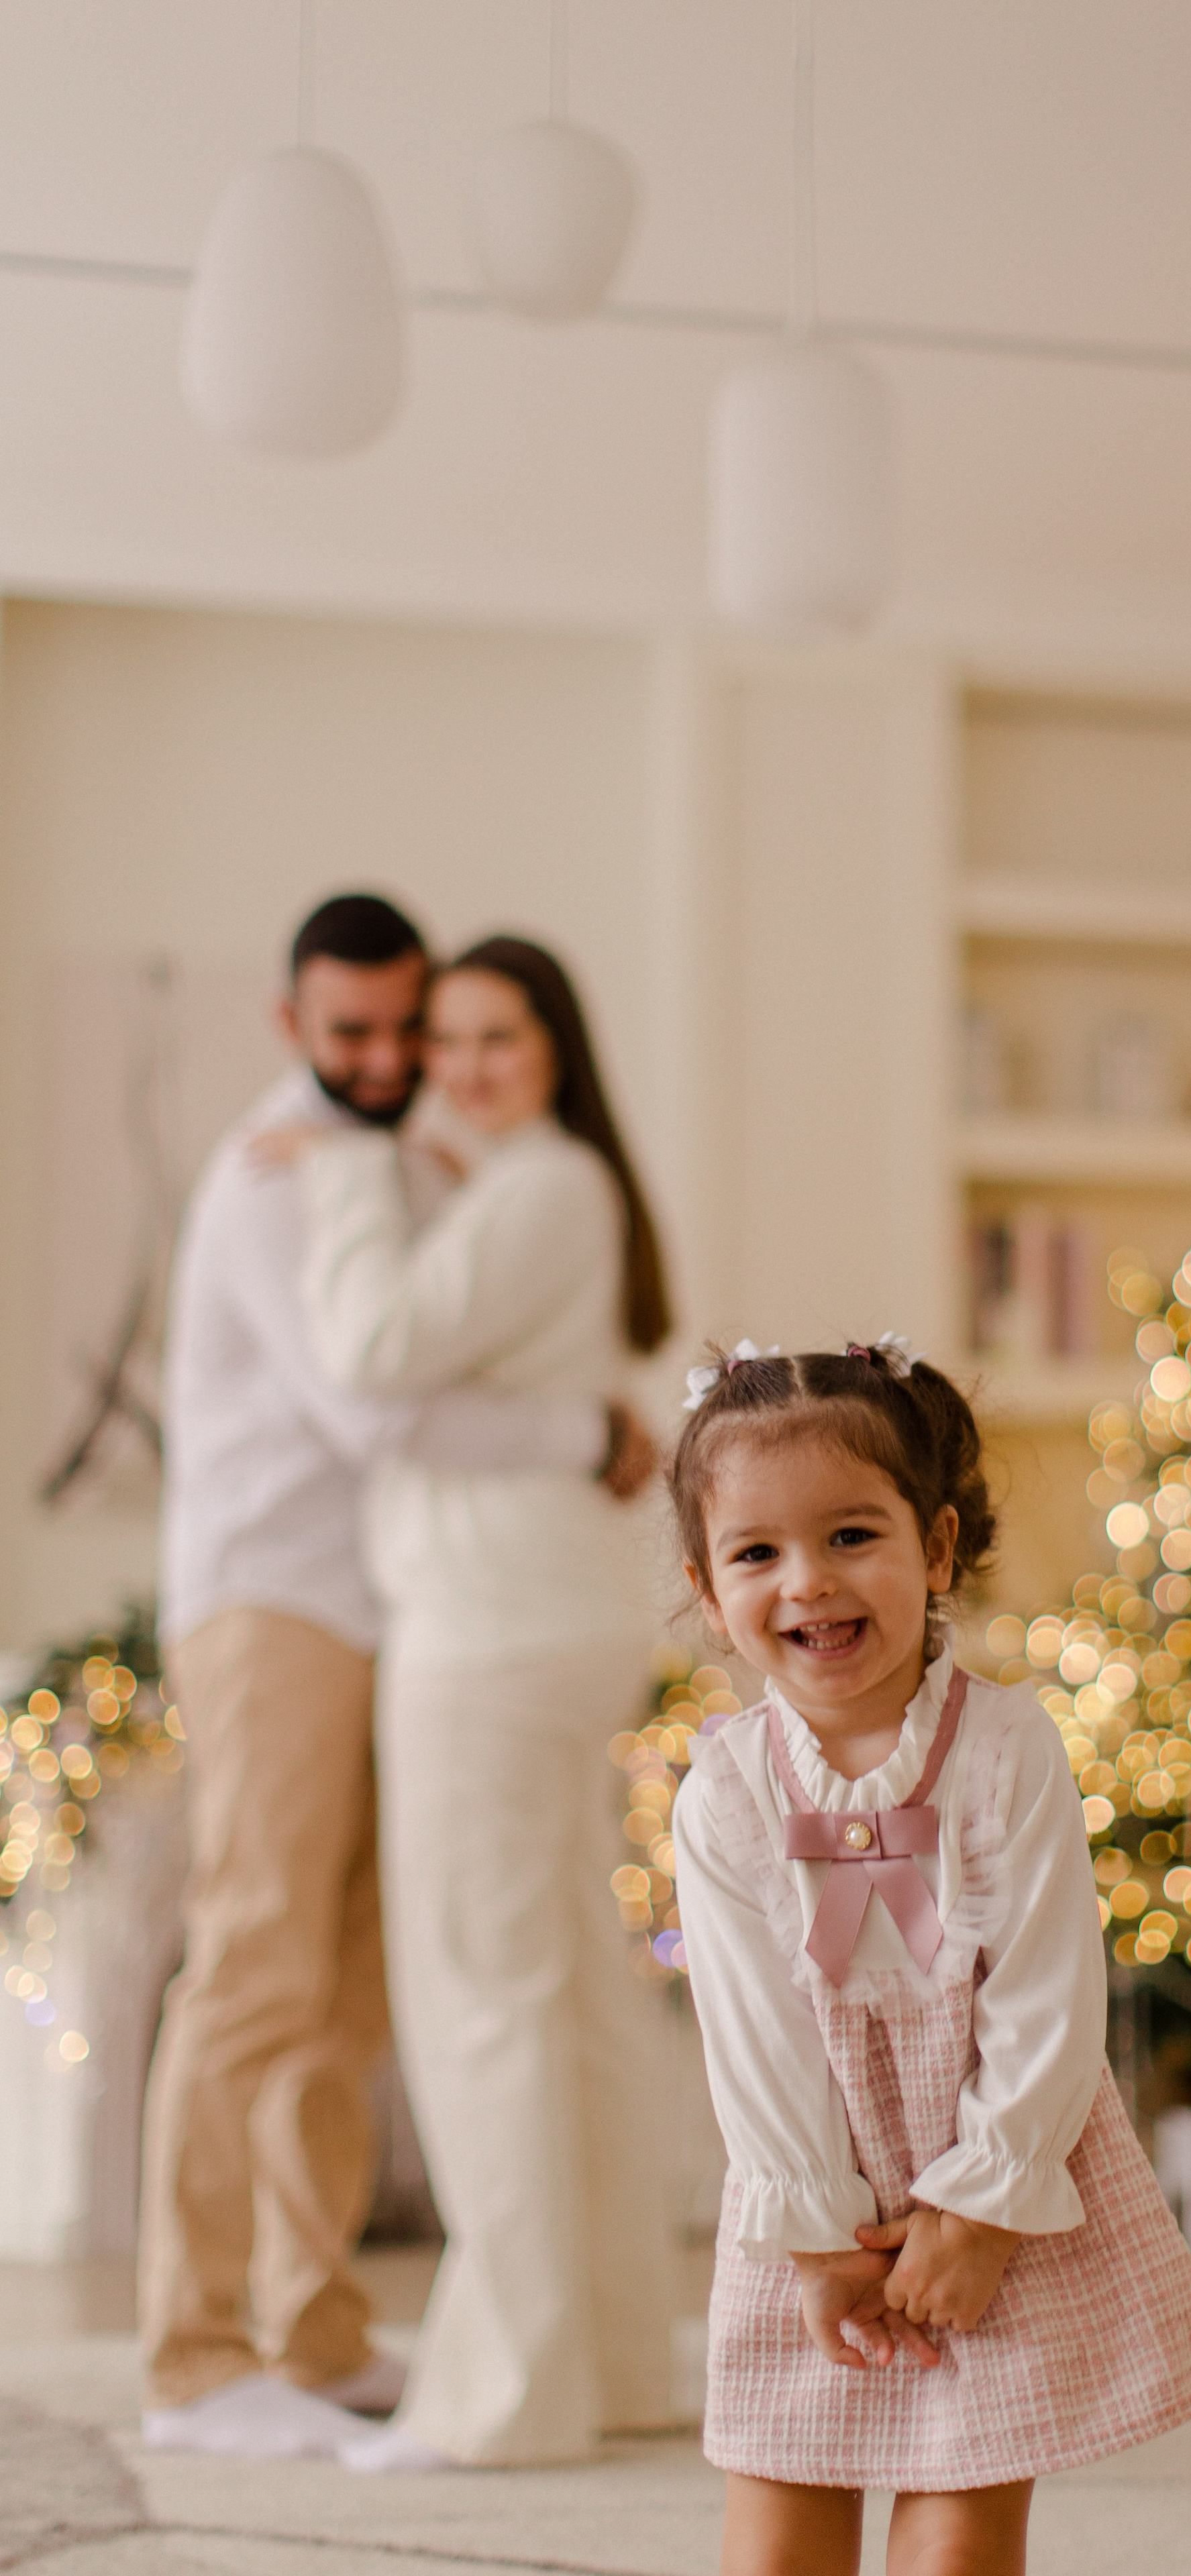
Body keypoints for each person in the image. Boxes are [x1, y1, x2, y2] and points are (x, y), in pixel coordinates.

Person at [140, 895, 650, 2463]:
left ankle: (313, 2326)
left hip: (396, 1611)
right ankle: (194, 2354)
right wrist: (588, 1431)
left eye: (404, 1028)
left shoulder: (441, 1164)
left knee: (347, 1992)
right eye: (351, 1031)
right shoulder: (277, 1172)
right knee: (258, 1967)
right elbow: (373, 1408)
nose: (384, 1057)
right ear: (293, 1025)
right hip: (274, 1601)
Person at [668, 1341, 1191, 2576]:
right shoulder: (724, 1797)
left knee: (963, 2532)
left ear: (934, 1549)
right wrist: (820, 2238)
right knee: (777, 2528)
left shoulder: (1006, 1753)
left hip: (992, 2183)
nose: (808, 1583)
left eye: (851, 1536)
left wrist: (981, 2206)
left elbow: (1046, 1992)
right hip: (809, 2188)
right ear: (711, 1593)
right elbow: (757, 2039)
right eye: (757, 1554)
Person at [283, 936, 683, 2471]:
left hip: (487, 1633)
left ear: (555, 1047)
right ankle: (613, 2361)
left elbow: (373, 1351)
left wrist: (343, 1176)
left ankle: (512, 2397)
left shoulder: (535, 1189)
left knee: (484, 2004)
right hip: (538, 1621)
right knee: (565, 1999)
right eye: (441, 1039)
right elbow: (429, 1400)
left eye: (493, 1036)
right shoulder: (543, 1189)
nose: (456, 1065)